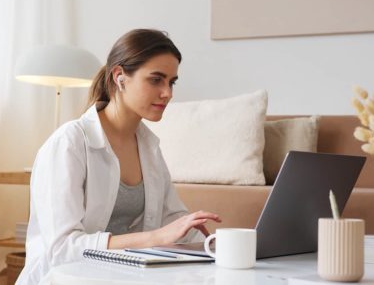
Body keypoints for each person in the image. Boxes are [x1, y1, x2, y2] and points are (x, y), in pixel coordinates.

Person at [16, 29, 221, 285]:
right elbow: (62, 250)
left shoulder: (150, 148)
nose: (167, 92)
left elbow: (175, 223)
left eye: (171, 82)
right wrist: (154, 238)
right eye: (156, 80)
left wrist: (225, 246)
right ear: (120, 77)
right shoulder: (68, 143)